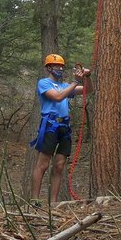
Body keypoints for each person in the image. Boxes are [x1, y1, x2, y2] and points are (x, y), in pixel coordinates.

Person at [29, 53, 92, 204]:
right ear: (49, 68)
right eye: (57, 66)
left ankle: (53, 203)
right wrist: (74, 82)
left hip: (64, 127)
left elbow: (88, 90)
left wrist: (87, 77)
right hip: (50, 125)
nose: (60, 69)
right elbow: (57, 97)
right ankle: (35, 200)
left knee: (59, 165)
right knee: (43, 164)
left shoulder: (64, 86)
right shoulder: (43, 83)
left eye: (62, 66)